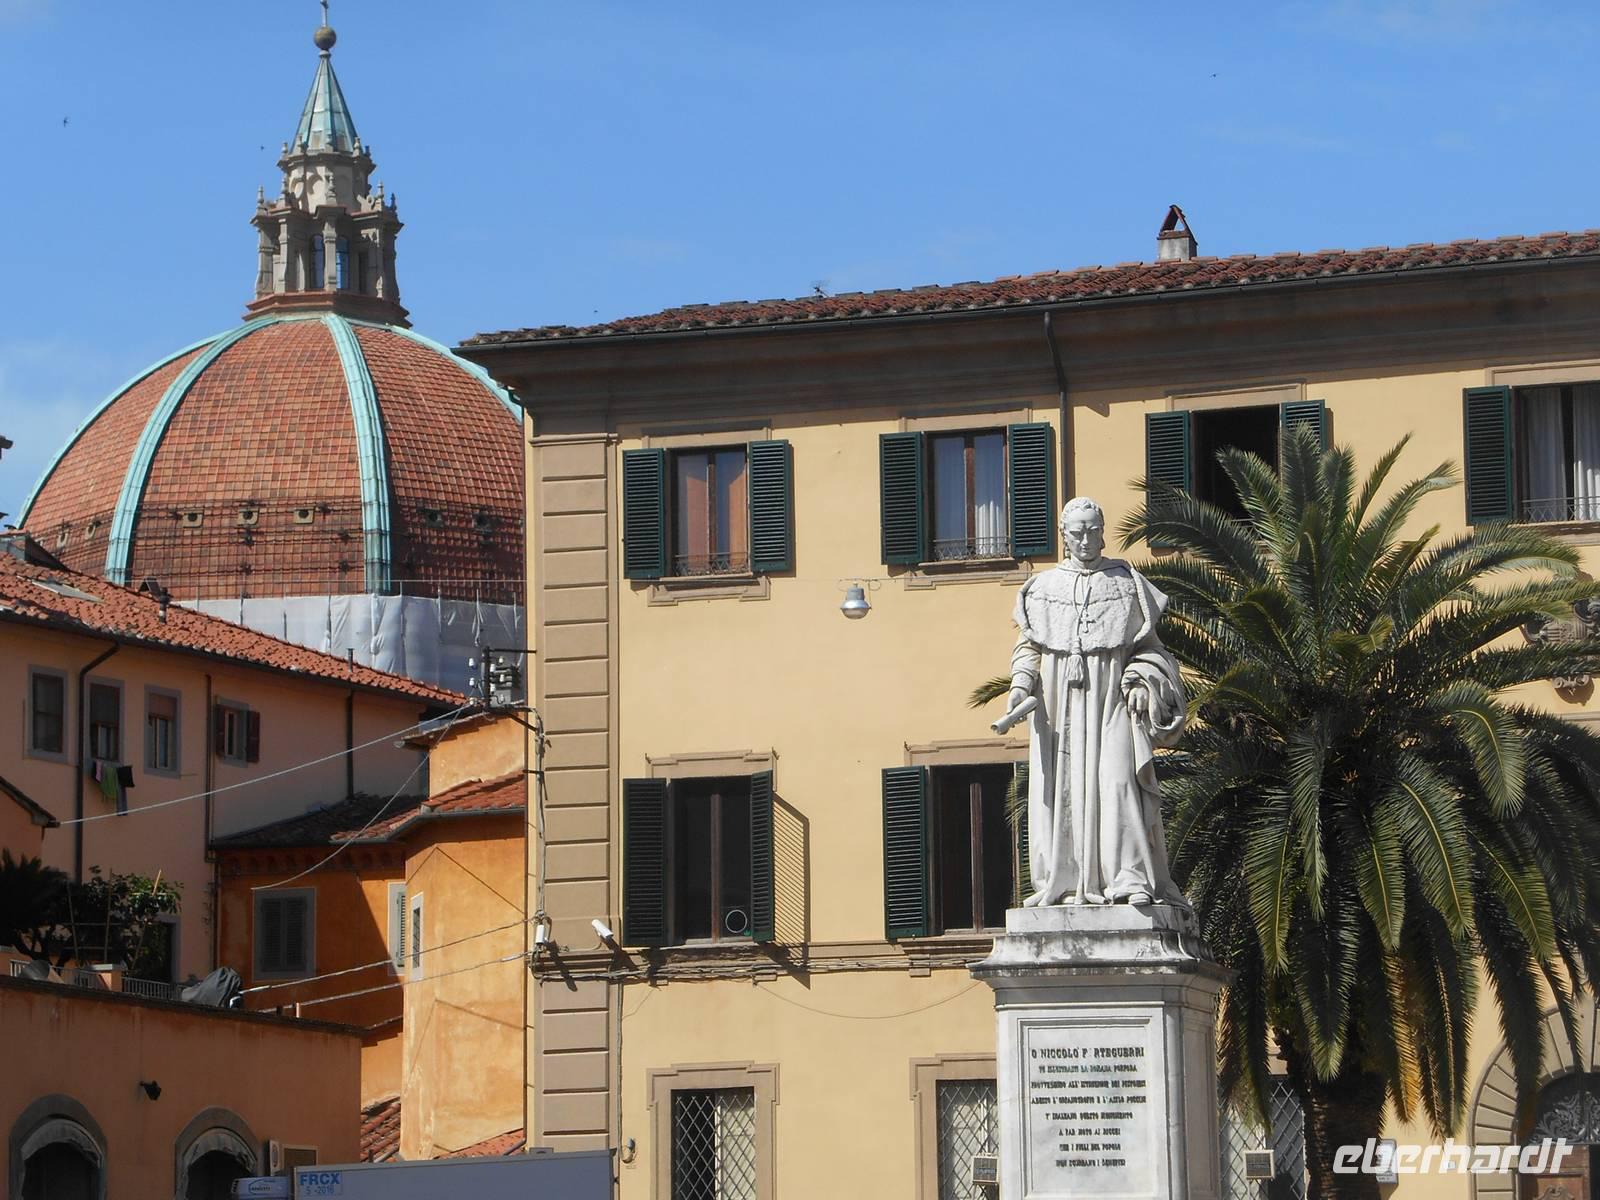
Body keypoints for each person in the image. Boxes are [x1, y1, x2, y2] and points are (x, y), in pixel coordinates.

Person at [999, 497, 1187, 907]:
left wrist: (1141, 680)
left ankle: (1130, 878)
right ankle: (1064, 883)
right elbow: (1028, 647)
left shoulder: (1128, 584)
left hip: (1114, 701)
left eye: (1092, 531)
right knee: (1061, 791)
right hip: (1057, 706)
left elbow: (1153, 650)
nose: (1085, 539)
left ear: (1103, 532)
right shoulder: (1042, 589)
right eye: (1076, 532)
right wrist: (1019, 686)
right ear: (1063, 536)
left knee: (1119, 781)